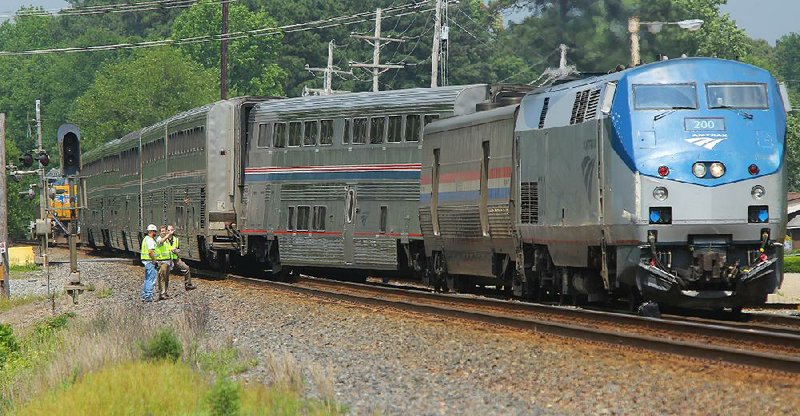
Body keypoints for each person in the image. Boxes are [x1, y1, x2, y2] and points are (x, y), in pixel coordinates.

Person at [166, 224, 196, 290]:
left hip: (175, 258)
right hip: (167, 259)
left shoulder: (176, 239)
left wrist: (176, 250)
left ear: (173, 231)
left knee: (186, 268)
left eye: (171, 230)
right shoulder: (164, 239)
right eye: (168, 230)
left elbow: (179, 249)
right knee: (165, 274)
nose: (170, 231)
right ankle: (163, 291)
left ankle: (188, 285)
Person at [140, 224, 159, 302]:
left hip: (146, 261)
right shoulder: (150, 240)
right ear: (151, 231)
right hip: (150, 261)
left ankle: (144, 295)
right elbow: (150, 252)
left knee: (147, 279)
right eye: (155, 231)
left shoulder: (146, 239)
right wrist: (154, 260)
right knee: (151, 279)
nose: (155, 233)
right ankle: (148, 296)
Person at [154, 225, 174, 300]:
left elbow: (168, 249)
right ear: (159, 232)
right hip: (162, 261)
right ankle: (161, 293)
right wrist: (168, 235)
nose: (163, 232)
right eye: (162, 231)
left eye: (164, 231)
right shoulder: (159, 239)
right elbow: (161, 241)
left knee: (166, 278)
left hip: (168, 261)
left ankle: (165, 292)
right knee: (162, 277)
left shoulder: (167, 240)